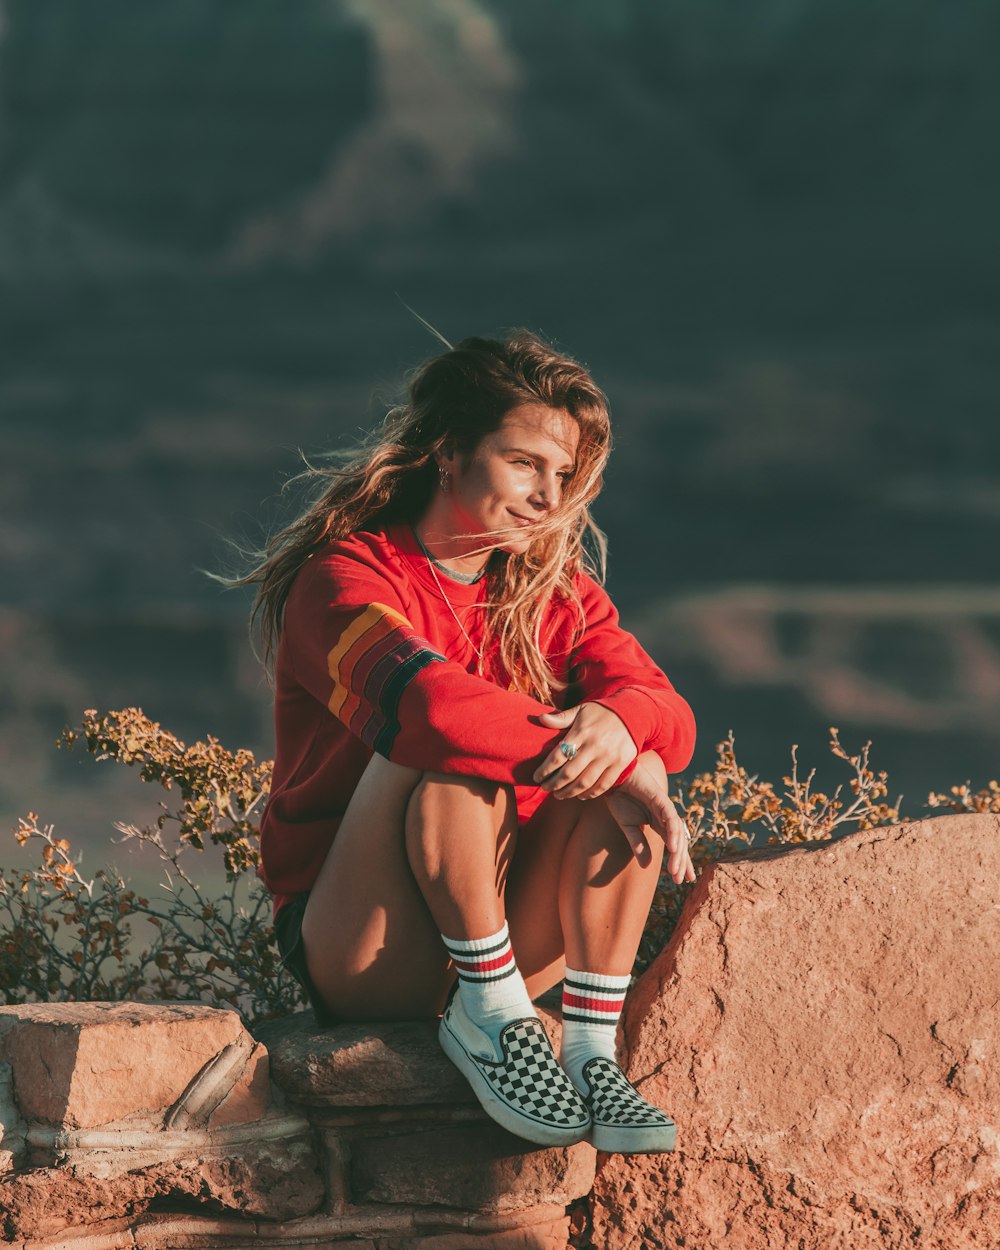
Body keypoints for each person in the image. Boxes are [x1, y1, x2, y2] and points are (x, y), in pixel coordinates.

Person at [243, 330, 697, 1153]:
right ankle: (487, 1018)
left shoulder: (555, 595)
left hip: (509, 927)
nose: (548, 497)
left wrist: (628, 732)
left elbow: (668, 708)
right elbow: (434, 713)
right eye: (525, 463)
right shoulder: (344, 580)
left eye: (562, 476)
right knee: (453, 759)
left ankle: (592, 1049)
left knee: (636, 749)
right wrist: (616, 754)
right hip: (370, 943)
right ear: (448, 455)